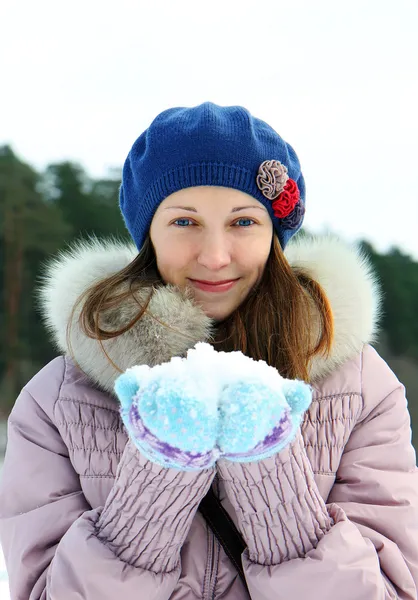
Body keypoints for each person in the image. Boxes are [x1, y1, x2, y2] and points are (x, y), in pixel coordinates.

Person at [0, 102, 417, 600]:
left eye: (243, 223)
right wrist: (161, 471)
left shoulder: (362, 388)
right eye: (184, 222)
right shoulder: (56, 400)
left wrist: (270, 474)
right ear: (148, 235)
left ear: (274, 238)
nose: (215, 255)